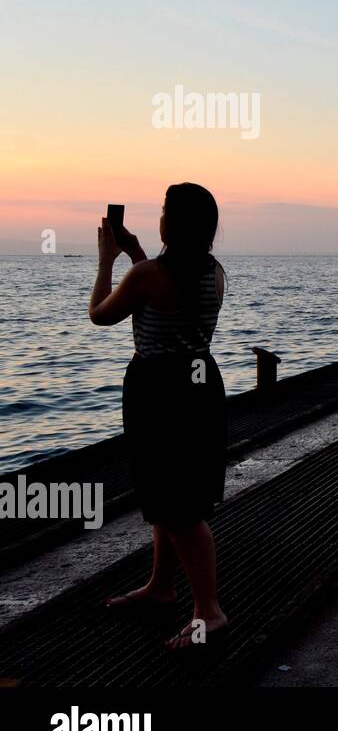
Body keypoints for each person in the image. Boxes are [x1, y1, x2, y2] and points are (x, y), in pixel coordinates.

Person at [89, 182, 230, 651]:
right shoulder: (213, 272)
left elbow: (100, 315)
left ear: (175, 223)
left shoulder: (148, 275)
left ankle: (208, 613)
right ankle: (161, 585)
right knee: (170, 492)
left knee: (179, 507)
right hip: (200, 385)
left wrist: (108, 258)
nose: (160, 215)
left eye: (165, 210)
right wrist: (136, 254)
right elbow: (167, 293)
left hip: (159, 391)